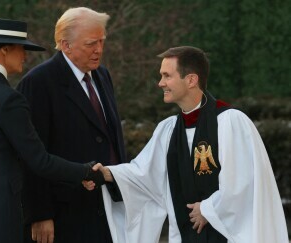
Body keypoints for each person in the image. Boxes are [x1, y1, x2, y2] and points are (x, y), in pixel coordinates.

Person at [84, 46, 289, 242]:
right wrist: (108, 174)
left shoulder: (230, 122)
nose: (160, 83)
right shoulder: (169, 129)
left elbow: (244, 183)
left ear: (191, 80)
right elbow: (144, 173)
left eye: (167, 76)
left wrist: (208, 209)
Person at [0, 18, 104, 243]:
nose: (25, 56)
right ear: (4, 49)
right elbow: (40, 161)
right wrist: (86, 171)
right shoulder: (8, 99)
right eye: (22, 49)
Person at [16, 7, 126, 243]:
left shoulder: (102, 75)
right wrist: (40, 213)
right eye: (90, 43)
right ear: (65, 45)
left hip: (106, 206)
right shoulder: (38, 83)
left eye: (101, 41)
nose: (99, 49)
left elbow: (110, 137)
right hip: (64, 214)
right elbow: (31, 155)